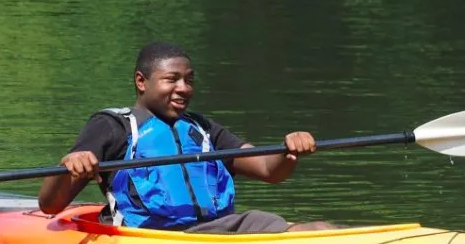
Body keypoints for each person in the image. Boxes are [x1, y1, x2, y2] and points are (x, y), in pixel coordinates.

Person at [38, 41, 334, 233]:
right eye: (172, 79)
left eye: (189, 80)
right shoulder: (113, 126)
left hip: (219, 228)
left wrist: (289, 150)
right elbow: (51, 205)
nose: (184, 88)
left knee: (319, 229)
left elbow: (270, 170)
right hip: (155, 239)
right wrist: (71, 164)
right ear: (141, 82)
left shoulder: (201, 128)